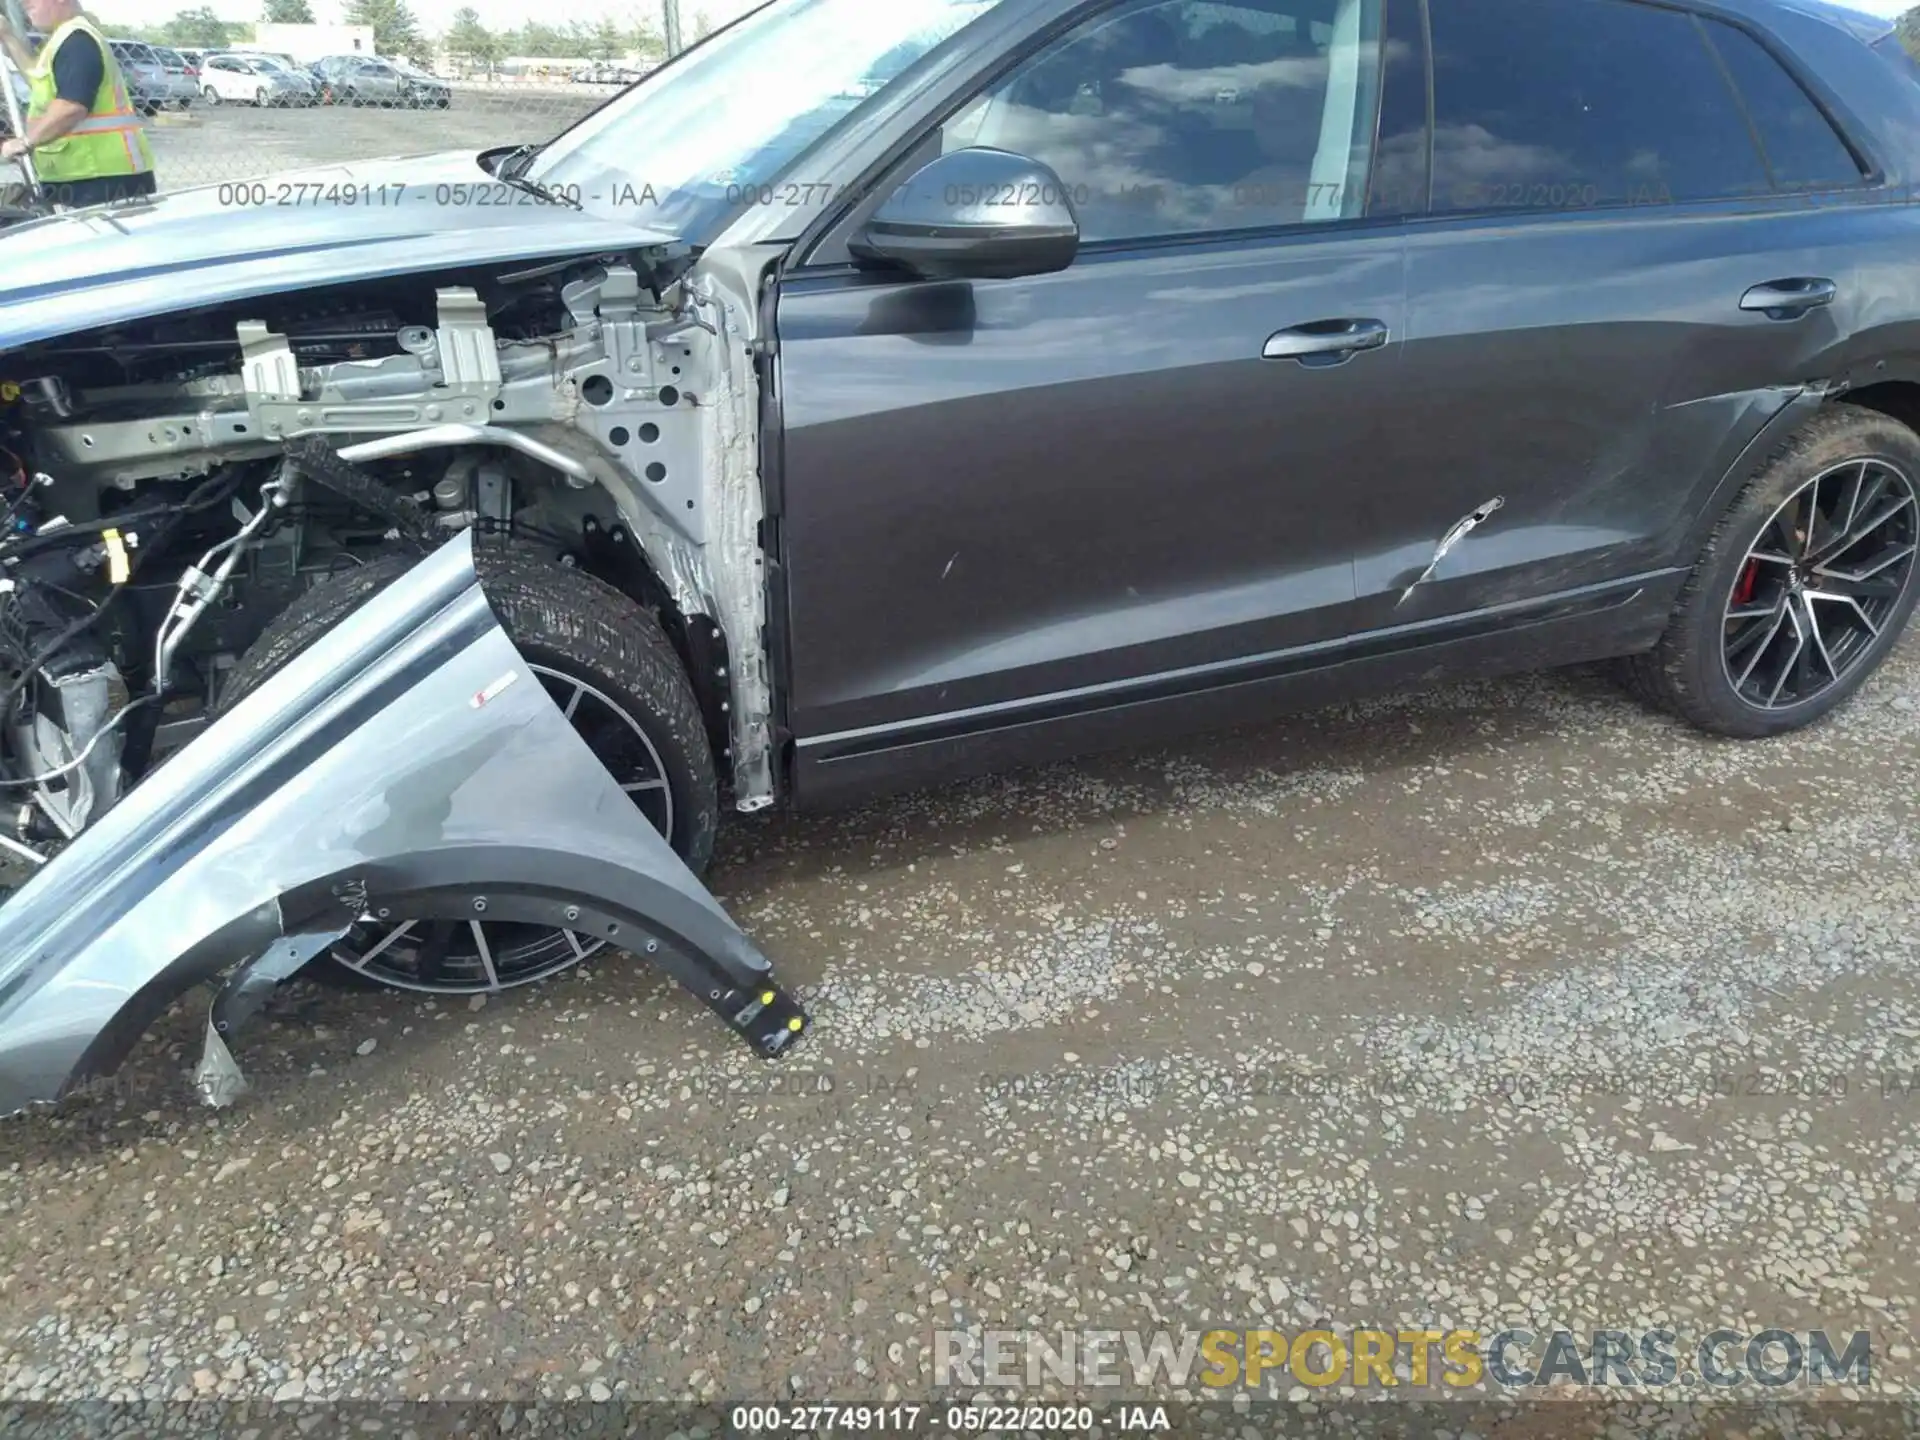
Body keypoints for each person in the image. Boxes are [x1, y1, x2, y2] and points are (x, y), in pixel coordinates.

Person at [0, 0, 155, 209]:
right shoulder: (61, 40)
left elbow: (71, 107)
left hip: (102, 178)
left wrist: (26, 142)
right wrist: (8, 37)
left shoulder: (77, 41)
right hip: (84, 175)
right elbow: (38, 82)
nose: (25, 5)